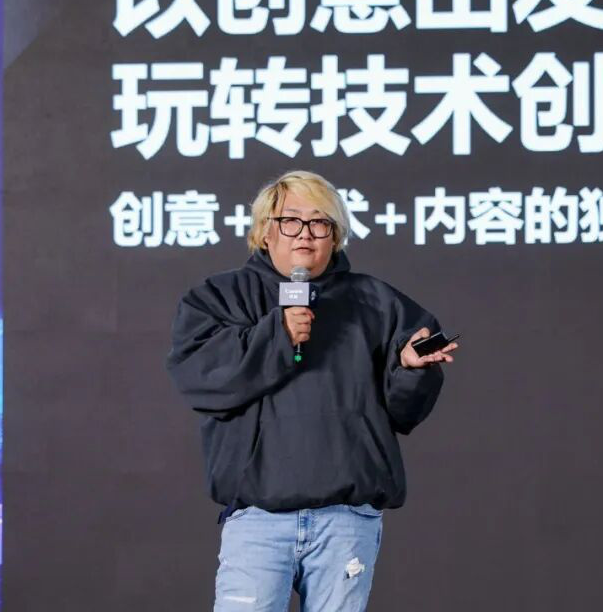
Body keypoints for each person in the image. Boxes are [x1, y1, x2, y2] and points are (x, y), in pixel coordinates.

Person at [166, 170, 459, 612]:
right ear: (265, 230)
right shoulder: (219, 297)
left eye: (320, 222)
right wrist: (277, 334)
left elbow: (405, 412)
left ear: (335, 236)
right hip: (258, 518)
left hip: (346, 520)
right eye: (291, 221)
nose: (305, 233)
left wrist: (410, 369)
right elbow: (200, 377)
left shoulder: (376, 303)